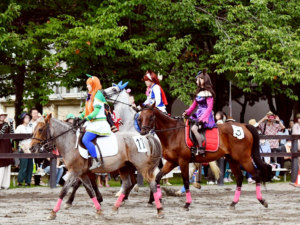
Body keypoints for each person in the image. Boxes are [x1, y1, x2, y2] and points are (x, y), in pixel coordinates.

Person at [79, 74, 111, 170]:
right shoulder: (90, 95)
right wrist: (79, 117)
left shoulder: (98, 95)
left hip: (99, 123)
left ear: (93, 85)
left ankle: (96, 160)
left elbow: (96, 112)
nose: (87, 86)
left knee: (85, 139)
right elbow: (87, 110)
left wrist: (86, 118)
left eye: (89, 84)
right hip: (92, 122)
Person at [182, 69, 216, 156]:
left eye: (198, 79)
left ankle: (201, 149)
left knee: (194, 129)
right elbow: (193, 105)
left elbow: (209, 107)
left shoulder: (208, 93)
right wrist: (187, 112)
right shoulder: (199, 93)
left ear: (204, 80)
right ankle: (193, 147)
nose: (196, 81)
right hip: (198, 113)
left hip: (206, 115)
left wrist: (203, 118)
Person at [15, 112, 33, 186]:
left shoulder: (31, 127)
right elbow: (15, 138)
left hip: (30, 148)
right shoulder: (19, 127)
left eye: (28, 118)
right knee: (23, 165)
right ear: (23, 119)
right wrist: (25, 137)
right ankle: (20, 181)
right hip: (22, 147)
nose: (27, 119)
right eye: (26, 118)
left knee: (30, 165)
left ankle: (28, 181)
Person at [0, 110, 14, 189]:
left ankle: (5, 185)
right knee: (1, 166)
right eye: (1, 115)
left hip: (7, 147)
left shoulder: (6, 125)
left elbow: (12, 134)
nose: (3, 116)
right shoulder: (4, 125)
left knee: (7, 166)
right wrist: (4, 126)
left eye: (4, 115)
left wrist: (11, 125)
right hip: (1, 148)